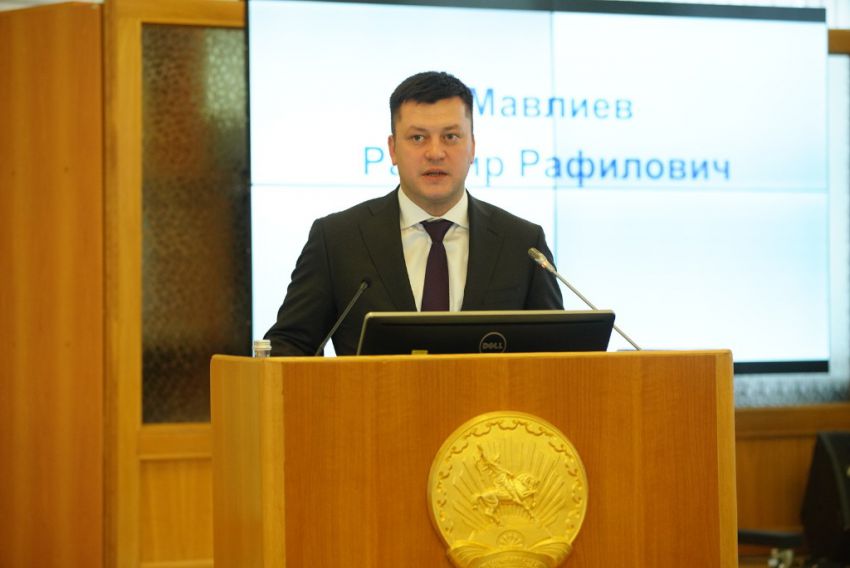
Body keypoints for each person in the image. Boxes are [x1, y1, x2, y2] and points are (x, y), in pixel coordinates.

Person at [265, 71, 563, 356]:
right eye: (418, 138)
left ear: (472, 147)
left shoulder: (522, 243)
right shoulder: (338, 240)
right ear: (393, 149)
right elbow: (289, 344)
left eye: (451, 137)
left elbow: (560, 352)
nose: (435, 153)